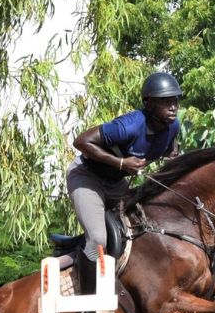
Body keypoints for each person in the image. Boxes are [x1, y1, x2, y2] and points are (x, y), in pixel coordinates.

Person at [67, 71, 186, 292]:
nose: (173, 106)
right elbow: (81, 141)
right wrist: (121, 163)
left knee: (147, 229)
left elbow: (168, 147)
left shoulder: (173, 126)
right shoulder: (128, 125)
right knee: (98, 239)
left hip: (117, 184)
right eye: (166, 101)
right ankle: (87, 307)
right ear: (149, 104)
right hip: (87, 177)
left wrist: (172, 155)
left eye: (176, 100)